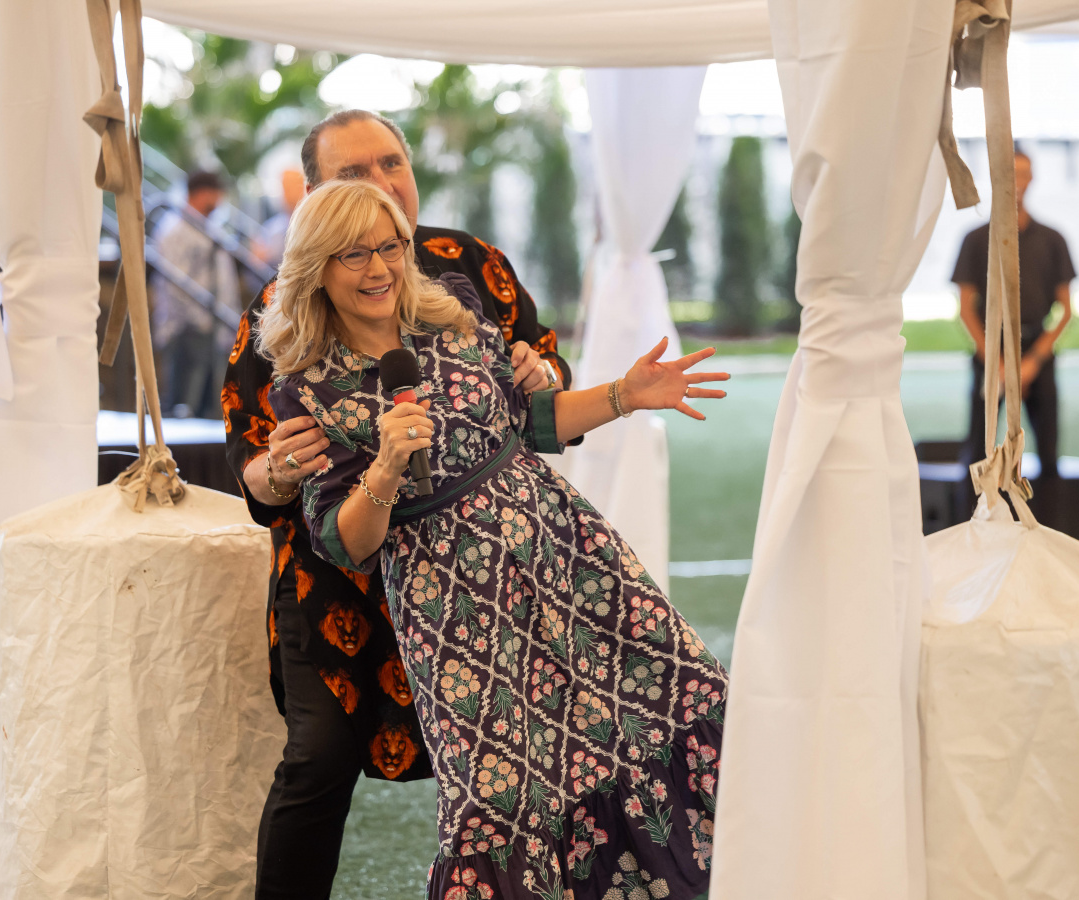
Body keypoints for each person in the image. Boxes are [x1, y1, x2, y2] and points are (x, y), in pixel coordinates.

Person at [260, 178, 729, 900]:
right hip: (457, 611)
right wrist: (386, 467)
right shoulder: (307, 387)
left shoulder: (451, 313)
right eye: (354, 254)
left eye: (389, 247)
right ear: (317, 267)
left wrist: (623, 396)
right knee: (501, 797)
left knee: (677, 697)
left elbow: (528, 422)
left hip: (568, 556)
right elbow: (345, 542)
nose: (379, 269)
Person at [222, 110, 572, 900]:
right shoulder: (281, 306)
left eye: (391, 163)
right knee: (319, 757)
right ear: (316, 199)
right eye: (353, 174)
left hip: (482, 578)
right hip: (339, 576)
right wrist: (280, 470)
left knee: (528, 751)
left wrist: (542, 372)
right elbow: (249, 468)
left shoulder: (470, 264)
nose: (382, 184)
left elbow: (545, 376)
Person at [954, 148, 1075, 480]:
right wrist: (997, 363)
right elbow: (965, 308)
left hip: (1036, 349)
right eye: (1009, 175)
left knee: (1048, 450)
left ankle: (1047, 508)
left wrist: (1032, 361)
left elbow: (1065, 311)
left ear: (1032, 178)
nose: (1016, 183)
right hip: (992, 350)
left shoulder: (1052, 240)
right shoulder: (976, 240)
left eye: (1022, 174)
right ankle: (973, 508)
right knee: (978, 447)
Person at [152, 169, 242, 418]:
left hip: (215, 330)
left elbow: (225, 281)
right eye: (215, 193)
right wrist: (201, 321)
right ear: (202, 193)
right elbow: (175, 284)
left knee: (210, 410)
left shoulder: (210, 226)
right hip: (187, 330)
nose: (219, 200)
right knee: (185, 408)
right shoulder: (175, 229)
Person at [255, 167, 307, 267]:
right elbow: (257, 262)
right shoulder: (270, 228)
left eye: (292, 186)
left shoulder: (314, 223)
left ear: (303, 187)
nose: (287, 193)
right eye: (285, 187)